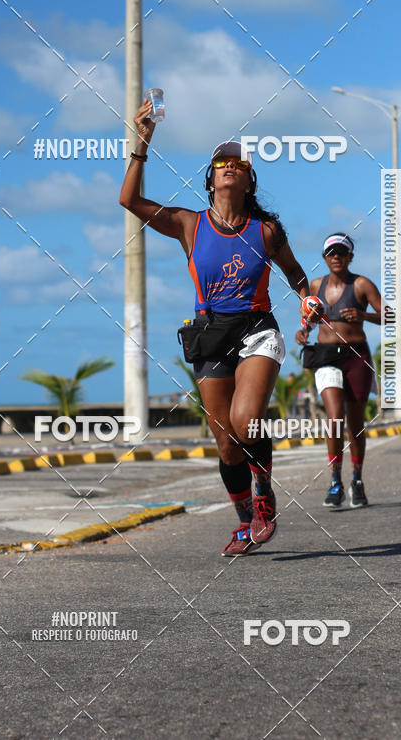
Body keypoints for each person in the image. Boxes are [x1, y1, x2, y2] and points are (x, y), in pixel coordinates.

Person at [119, 99, 318, 555]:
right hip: (210, 334)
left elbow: (295, 274)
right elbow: (128, 200)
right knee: (227, 444)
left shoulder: (266, 230)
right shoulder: (190, 225)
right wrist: (142, 143)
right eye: (221, 163)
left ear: (249, 179)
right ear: (210, 178)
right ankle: (245, 521)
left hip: (256, 329)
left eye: (239, 163)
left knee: (247, 422)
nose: (230, 167)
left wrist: (307, 296)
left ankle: (264, 493)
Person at [295, 233, 382, 508]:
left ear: (350, 257)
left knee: (355, 423)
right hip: (325, 356)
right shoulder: (316, 284)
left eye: (341, 253)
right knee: (334, 418)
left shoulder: (362, 284)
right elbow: (308, 318)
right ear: (324, 257)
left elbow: (389, 315)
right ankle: (335, 482)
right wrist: (303, 331)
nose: (336, 257)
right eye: (331, 253)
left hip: (357, 356)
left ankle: (357, 480)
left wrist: (363, 315)